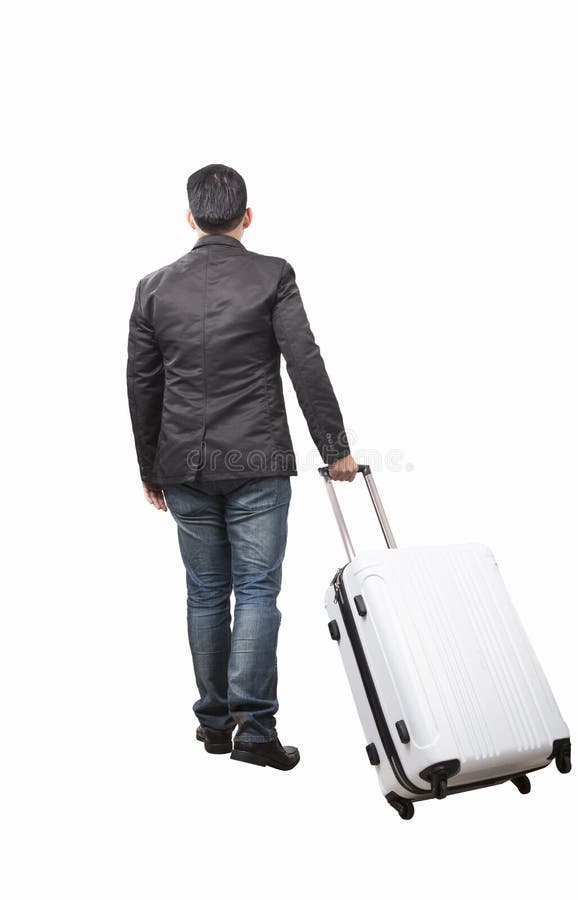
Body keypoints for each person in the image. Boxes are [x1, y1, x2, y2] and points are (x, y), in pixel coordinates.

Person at [127, 163, 357, 771]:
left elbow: (142, 385)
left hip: (183, 463)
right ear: (246, 217)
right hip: (257, 460)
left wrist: (150, 466)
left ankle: (212, 723)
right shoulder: (272, 275)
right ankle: (255, 730)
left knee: (205, 592)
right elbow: (304, 362)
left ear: (190, 217)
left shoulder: (153, 286)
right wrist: (334, 448)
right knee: (256, 590)